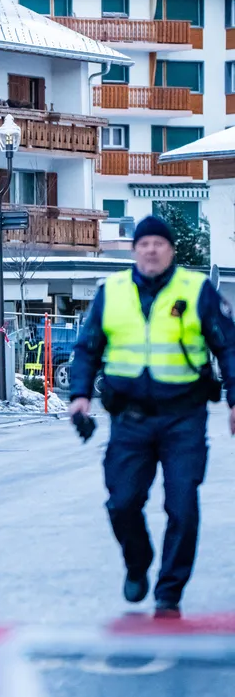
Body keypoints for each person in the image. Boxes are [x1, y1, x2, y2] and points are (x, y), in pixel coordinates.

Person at [67, 214, 235, 618]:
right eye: (144, 244)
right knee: (122, 503)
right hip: (130, 418)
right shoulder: (113, 292)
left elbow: (228, 346)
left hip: (184, 417)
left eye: (159, 243)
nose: (152, 250)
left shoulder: (197, 291)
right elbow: (88, 348)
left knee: (182, 507)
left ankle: (169, 591)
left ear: (171, 250)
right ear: (134, 250)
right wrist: (79, 396)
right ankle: (137, 563)